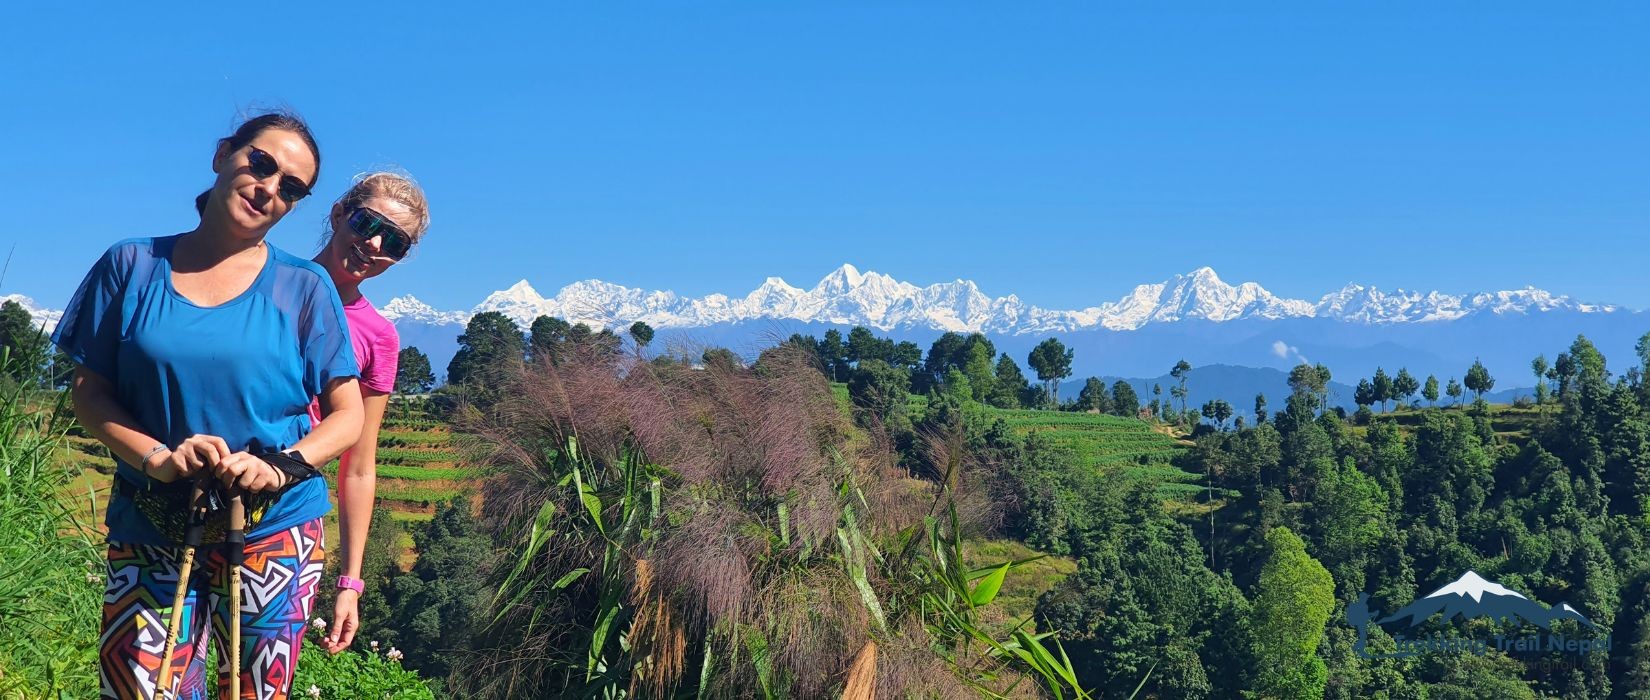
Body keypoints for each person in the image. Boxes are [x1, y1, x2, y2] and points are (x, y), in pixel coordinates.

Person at [53, 111, 365, 699]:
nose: (269, 188)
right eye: (261, 164)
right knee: (138, 689)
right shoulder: (131, 266)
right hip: (152, 521)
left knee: (254, 693)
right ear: (224, 154)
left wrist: (279, 465)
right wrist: (157, 458)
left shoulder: (304, 288)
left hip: (274, 532)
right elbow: (90, 392)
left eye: (290, 188)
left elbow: (347, 414)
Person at [304, 172, 431, 654]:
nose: (373, 244)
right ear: (338, 213)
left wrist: (349, 583)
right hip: (196, 494)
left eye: (394, 242)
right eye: (365, 222)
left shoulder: (378, 336)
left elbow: (358, 465)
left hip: (290, 522)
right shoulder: (258, 280)